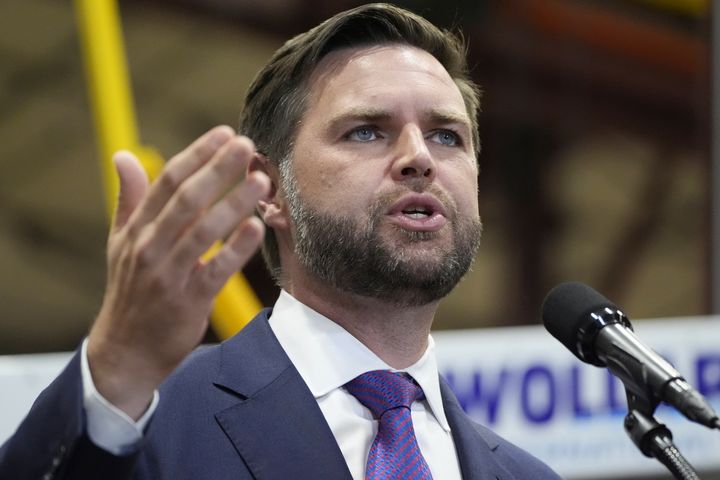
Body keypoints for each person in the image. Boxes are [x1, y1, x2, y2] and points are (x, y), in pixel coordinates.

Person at [0, 4, 562, 479]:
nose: (419, 157)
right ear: (269, 190)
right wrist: (116, 370)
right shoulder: (144, 421)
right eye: (366, 130)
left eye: (447, 136)